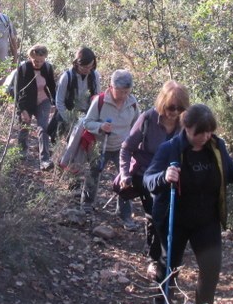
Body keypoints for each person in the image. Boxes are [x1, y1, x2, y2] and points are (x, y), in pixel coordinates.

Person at [144, 104, 233, 304]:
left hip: (207, 220)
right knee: (170, 266)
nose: (206, 136)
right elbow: (149, 180)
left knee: (211, 268)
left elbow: (228, 173)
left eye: (209, 131)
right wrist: (164, 177)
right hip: (174, 219)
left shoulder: (216, 146)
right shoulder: (170, 149)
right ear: (186, 127)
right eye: (201, 131)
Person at [119, 81, 189, 276]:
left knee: (169, 216)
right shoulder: (148, 118)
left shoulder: (185, 123)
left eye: (180, 108)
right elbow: (126, 148)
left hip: (173, 176)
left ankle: (168, 255)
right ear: (162, 102)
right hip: (146, 174)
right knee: (155, 214)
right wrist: (125, 174)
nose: (175, 112)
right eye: (171, 107)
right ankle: (154, 258)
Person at [79, 70, 139, 218]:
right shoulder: (100, 101)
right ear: (111, 87)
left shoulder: (132, 103)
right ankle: (87, 205)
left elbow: (137, 125)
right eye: (121, 91)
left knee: (125, 178)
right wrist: (100, 127)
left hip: (123, 148)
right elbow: (87, 122)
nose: (124, 95)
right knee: (93, 175)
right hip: (101, 145)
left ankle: (124, 214)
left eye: (127, 91)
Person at [9, 44, 57, 171]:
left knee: (43, 128)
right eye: (36, 60)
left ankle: (45, 160)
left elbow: (52, 87)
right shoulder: (23, 68)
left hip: (43, 101)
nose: (38, 63)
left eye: (41, 61)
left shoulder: (47, 67)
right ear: (30, 57)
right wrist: (22, 110)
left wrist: (55, 103)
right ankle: (22, 152)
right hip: (26, 102)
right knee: (24, 127)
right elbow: (17, 90)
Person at [52, 47, 100, 140]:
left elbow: (97, 98)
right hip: (68, 115)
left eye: (91, 66)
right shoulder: (66, 77)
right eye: (85, 67)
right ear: (77, 63)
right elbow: (59, 102)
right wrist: (69, 119)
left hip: (87, 117)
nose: (88, 70)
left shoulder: (95, 75)